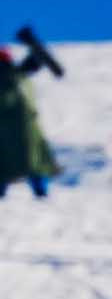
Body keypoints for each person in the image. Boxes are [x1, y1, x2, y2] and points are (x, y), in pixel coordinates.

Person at [0, 25, 59, 201]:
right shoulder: (20, 74)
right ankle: (41, 192)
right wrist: (33, 43)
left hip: (7, 128)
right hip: (27, 126)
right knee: (34, 160)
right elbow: (38, 59)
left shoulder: (16, 74)